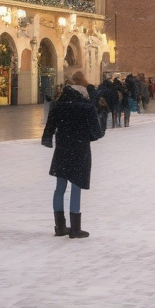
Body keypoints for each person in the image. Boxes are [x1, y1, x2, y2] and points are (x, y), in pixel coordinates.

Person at [42, 69, 103, 239]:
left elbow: (49, 129)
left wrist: (51, 138)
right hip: (80, 150)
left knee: (60, 188)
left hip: (62, 149)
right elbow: (97, 133)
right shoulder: (87, 107)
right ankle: (76, 229)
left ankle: (60, 226)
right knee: (76, 187)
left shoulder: (58, 105)